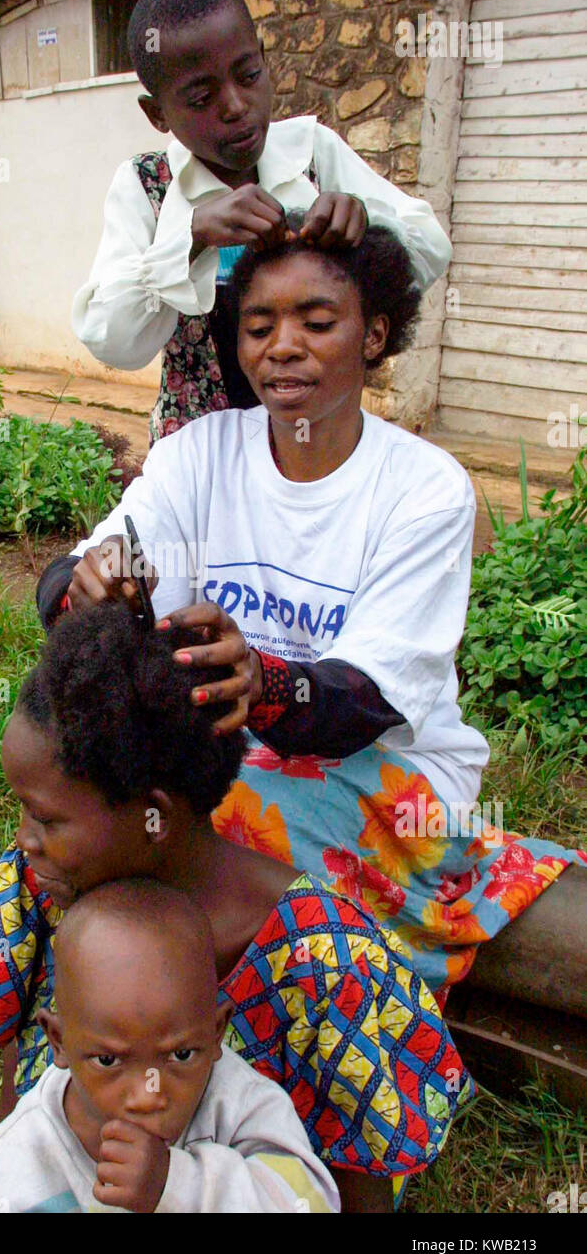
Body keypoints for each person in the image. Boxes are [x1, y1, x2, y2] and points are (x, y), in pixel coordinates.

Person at [42, 217, 586, 997]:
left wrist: (262, 683)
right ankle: (106, 1017)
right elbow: (87, 569)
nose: (282, 346)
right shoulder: (200, 454)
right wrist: (89, 586)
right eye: (258, 325)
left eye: (317, 322)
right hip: (224, 752)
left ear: (375, 336)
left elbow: (359, 706)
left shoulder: (423, 489)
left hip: (386, 767)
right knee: (85, 805)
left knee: (201, 825)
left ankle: (213, 1009)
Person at [0, 605, 472, 1215]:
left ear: (154, 816)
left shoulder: (329, 963)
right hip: (71, 1187)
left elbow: (358, 1185)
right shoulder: (44, 883)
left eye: (46, 817)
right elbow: (26, 1089)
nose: (23, 837)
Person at [71, 0, 452, 441]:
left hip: (311, 443)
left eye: (249, 75)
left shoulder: (311, 153)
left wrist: (366, 224)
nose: (235, 105)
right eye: (201, 97)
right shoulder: (148, 187)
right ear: (158, 114)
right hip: (201, 453)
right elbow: (113, 340)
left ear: (265, 63)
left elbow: (430, 249)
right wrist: (189, 238)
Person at [0, 878, 340, 1214]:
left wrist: (177, 1185)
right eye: (108, 1060)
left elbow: (312, 1205)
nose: (148, 1093)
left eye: (181, 1055)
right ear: (59, 1042)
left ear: (215, 1031)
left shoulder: (239, 1106)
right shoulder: (17, 1162)